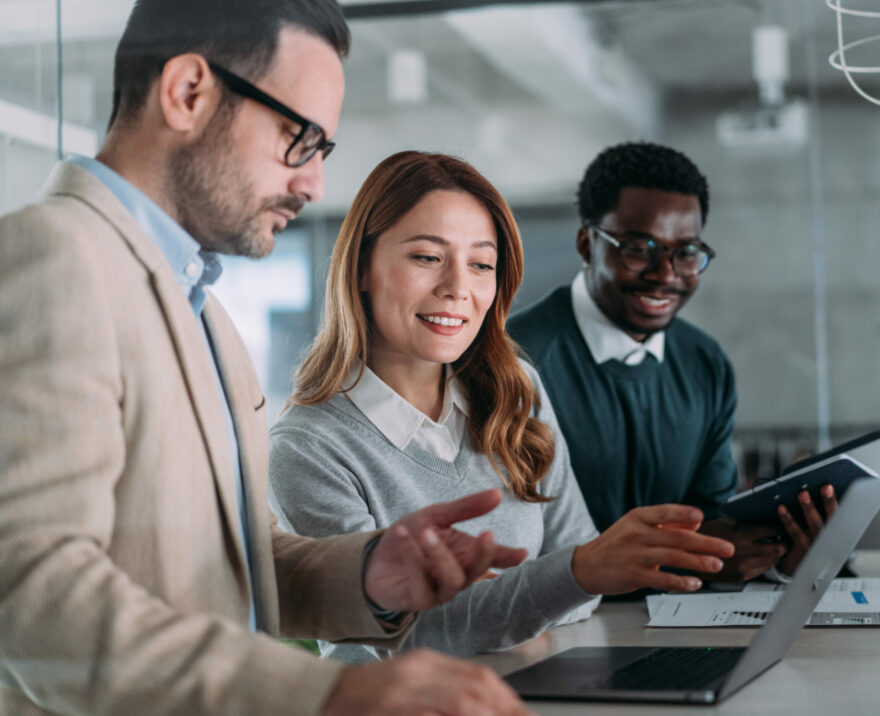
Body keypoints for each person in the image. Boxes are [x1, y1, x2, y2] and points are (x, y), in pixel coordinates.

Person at [0, 2, 532, 714]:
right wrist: (326, 689)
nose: (312, 184)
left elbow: (240, 561)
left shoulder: (205, 310)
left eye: (323, 151)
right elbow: (30, 592)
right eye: (299, 137)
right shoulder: (53, 255)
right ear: (188, 91)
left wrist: (372, 572)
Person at [268, 150, 737, 663]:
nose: (457, 289)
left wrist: (549, 587)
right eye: (427, 257)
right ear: (361, 267)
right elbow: (392, 636)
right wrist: (568, 577)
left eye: (481, 264)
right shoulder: (308, 448)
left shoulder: (516, 391)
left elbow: (580, 586)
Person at [509, 142, 836, 582]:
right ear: (587, 244)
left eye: (685, 252)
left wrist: (773, 558)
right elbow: (515, 547)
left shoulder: (704, 364)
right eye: (640, 249)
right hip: (557, 628)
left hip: (681, 626)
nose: (665, 275)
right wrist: (693, 558)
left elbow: (714, 519)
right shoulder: (514, 360)